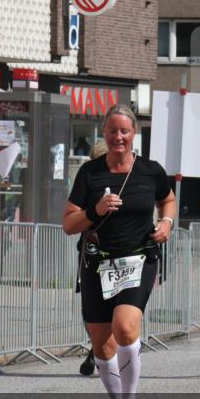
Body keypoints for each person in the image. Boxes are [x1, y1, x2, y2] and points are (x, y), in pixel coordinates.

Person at [63, 106, 176, 399]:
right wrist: (95, 210)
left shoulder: (150, 171)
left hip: (138, 259)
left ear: (134, 134)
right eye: (112, 131)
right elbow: (69, 224)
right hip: (97, 263)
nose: (118, 137)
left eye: (124, 131)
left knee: (125, 327)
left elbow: (167, 199)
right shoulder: (90, 173)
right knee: (102, 343)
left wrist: (166, 222)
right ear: (104, 133)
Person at [78, 139, 111, 377]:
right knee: (91, 308)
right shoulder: (87, 181)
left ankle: (101, 350)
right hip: (89, 249)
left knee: (108, 306)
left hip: (115, 251)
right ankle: (97, 348)